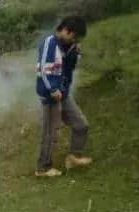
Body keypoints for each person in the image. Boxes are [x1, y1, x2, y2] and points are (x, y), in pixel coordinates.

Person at [35, 16, 93, 177]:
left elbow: (69, 69)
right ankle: (43, 168)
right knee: (50, 134)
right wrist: (53, 90)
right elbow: (44, 71)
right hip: (50, 95)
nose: (75, 40)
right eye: (74, 36)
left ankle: (74, 156)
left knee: (81, 124)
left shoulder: (69, 46)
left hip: (63, 94)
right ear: (66, 31)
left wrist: (76, 54)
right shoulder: (49, 43)